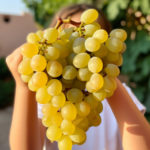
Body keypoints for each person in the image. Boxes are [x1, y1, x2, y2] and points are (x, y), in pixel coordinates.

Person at [6, 4, 150, 150]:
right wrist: (23, 87)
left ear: (103, 46)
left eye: (86, 38)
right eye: (71, 41)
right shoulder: (49, 96)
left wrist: (105, 77)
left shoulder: (119, 92)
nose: (79, 48)